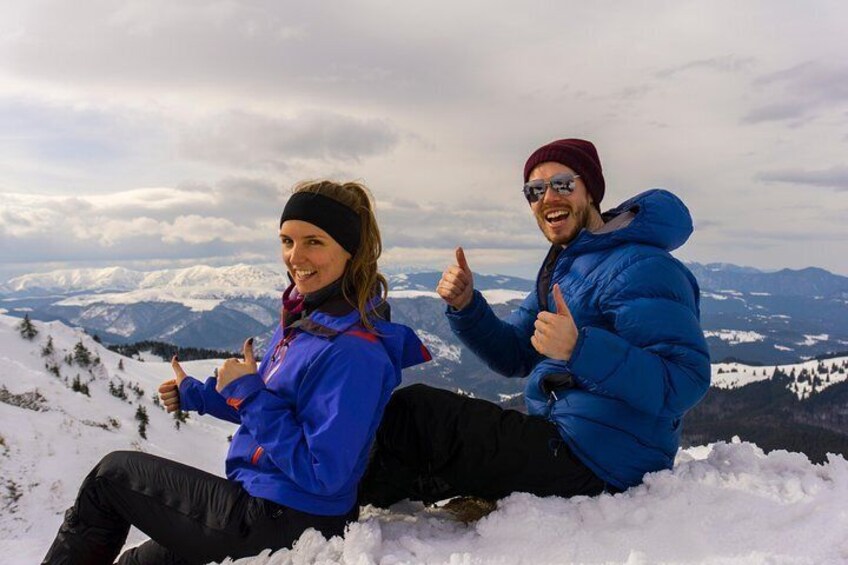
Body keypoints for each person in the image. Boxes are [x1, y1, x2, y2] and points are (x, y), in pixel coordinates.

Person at [43, 180, 431, 564]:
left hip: (287, 517)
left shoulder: (355, 352)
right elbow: (281, 408)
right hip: (266, 501)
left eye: (314, 241)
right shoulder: (309, 320)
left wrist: (249, 393)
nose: (295, 256)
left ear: (351, 251)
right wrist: (202, 395)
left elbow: (324, 472)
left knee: (110, 478)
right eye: (287, 241)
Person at [359, 138, 710, 513]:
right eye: (534, 190)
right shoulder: (569, 266)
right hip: (569, 440)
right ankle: (348, 505)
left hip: (605, 461)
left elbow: (685, 378)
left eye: (562, 184)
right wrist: (467, 307)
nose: (547, 197)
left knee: (419, 413)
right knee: (409, 433)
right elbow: (514, 354)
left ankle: (327, 512)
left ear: (590, 190)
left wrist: (580, 350)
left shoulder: (640, 267)